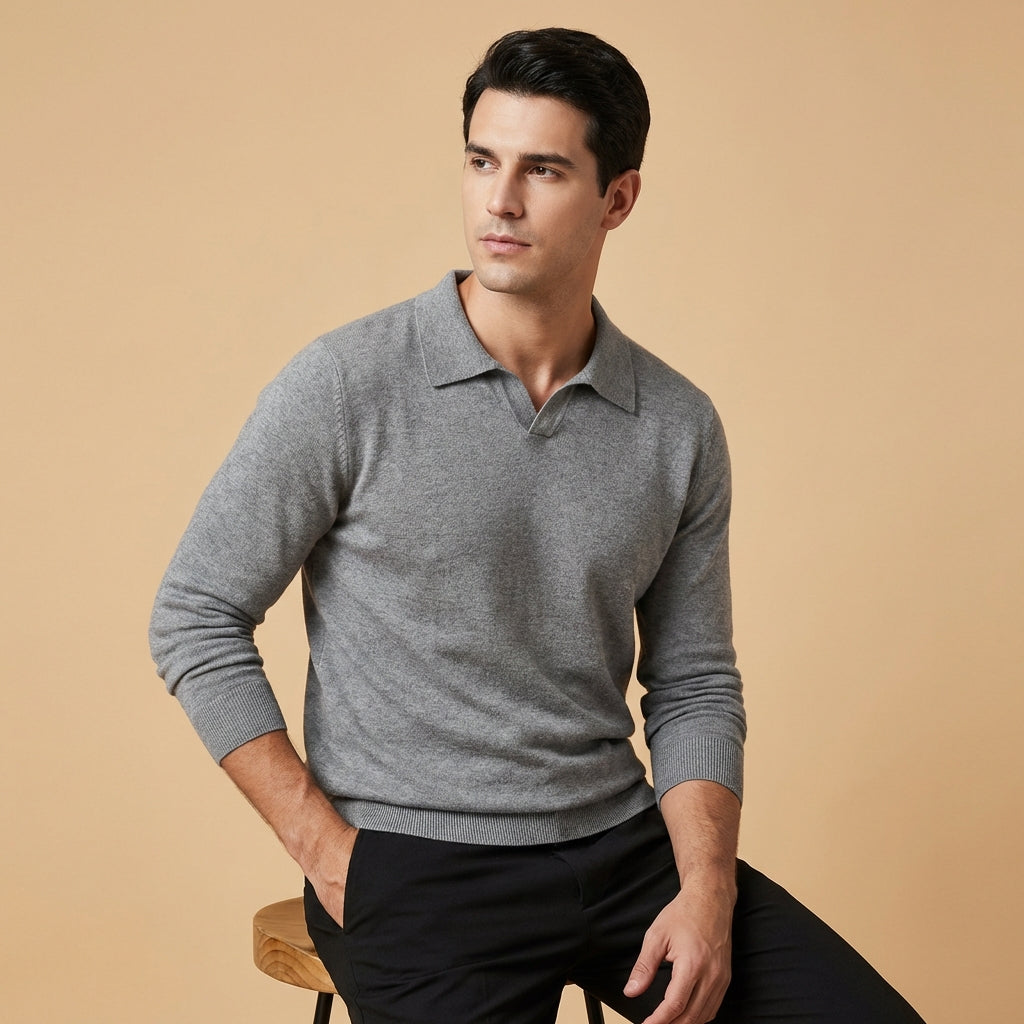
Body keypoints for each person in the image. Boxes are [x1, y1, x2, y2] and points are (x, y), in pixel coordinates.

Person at [150, 28, 925, 1024]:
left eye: (543, 170)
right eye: (483, 161)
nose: (500, 201)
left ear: (617, 199)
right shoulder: (347, 384)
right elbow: (194, 615)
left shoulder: (676, 424)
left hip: (625, 850)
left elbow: (693, 682)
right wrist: (329, 853)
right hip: (417, 867)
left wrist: (706, 890)